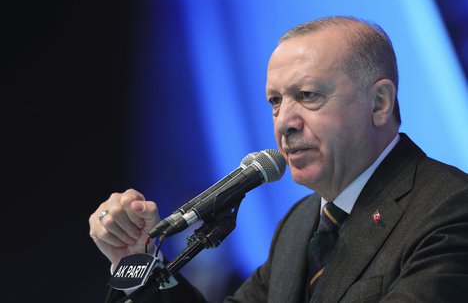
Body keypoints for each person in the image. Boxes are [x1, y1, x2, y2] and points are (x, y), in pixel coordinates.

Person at [89, 16, 468, 302]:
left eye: (307, 95)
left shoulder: (451, 210)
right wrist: (136, 260)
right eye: (275, 101)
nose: (284, 122)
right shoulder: (299, 225)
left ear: (379, 103)